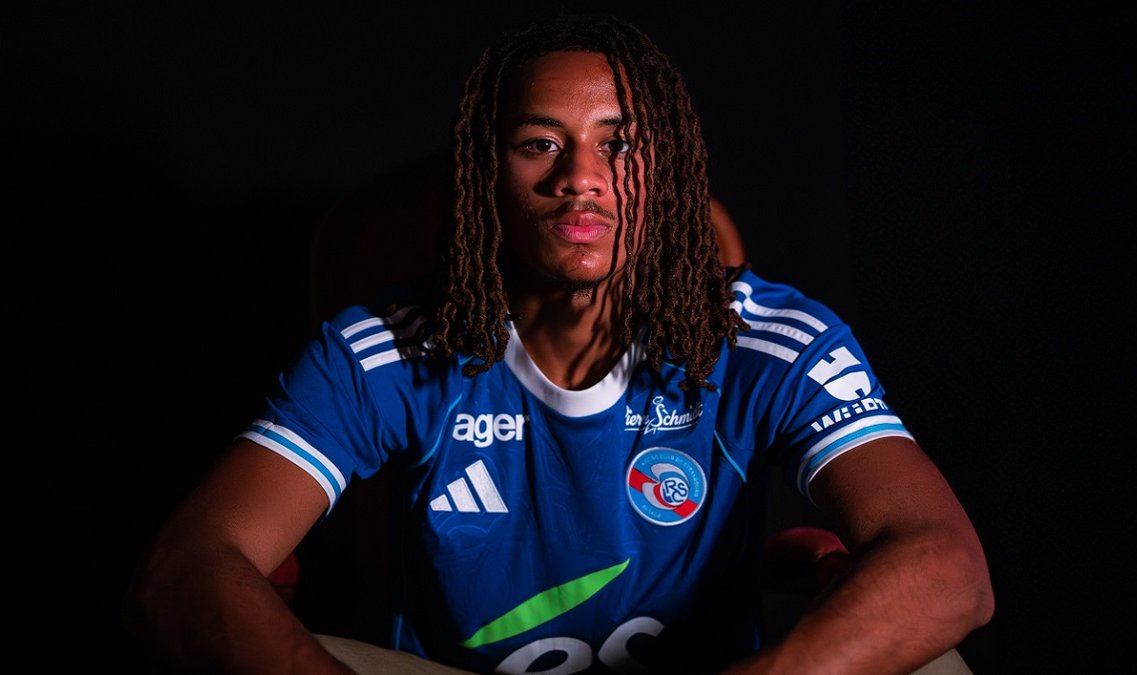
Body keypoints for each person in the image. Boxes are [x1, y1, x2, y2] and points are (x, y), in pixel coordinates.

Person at [123, 14, 994, 675]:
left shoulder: (767, 339)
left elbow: (949, 565)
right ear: (487, 176)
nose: (580, 176)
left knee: (935, 663)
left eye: (620, 145)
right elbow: (189, 564)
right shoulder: (386, 348)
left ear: (668, 172)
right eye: (540, 144)